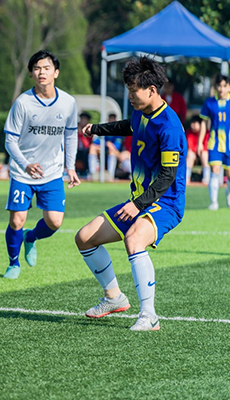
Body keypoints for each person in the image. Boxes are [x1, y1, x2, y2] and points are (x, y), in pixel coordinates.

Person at [76, 56, 186, 331]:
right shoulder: (141, 112)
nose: (130, 96)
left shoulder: (169, 126)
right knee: (85, 238)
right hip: (139, 201)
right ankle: (114, 297)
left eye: (133, 90)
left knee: (134, 239)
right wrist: (97, 130)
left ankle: (149, 316)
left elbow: (168, 176)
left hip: (165, 203)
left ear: (151, 90)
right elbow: (128, 126)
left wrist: (138, 204)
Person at [2, 50, 80, 280]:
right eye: (37, 68)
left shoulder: (68, 102)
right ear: (31, 74)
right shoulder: (22, 103)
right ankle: (13, 263)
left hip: (52, 172)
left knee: (54, 222)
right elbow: (10, 140)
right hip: (22, 173)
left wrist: (70, 167)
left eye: (46, 68)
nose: (41, 72)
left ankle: (31, 237)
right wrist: (25, 164)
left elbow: (71, 136)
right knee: (17, 219)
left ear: (56, 72)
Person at [198, 74, 230, 210]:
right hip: (214, 144)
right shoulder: (209, 103)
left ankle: (229, 192)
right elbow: (204, 123)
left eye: (224, 86)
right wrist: (200, 142)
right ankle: (213, 202)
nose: (221, 89)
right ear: (216, 87)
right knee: (215, 170)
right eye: (219, 86)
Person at [88, 113, 123, 181]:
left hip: (115, 153)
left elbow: (117, 147)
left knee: (111, 150)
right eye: (110, 119)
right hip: (103, 151)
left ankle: (111, 176)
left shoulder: (119, 132)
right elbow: (96, 142)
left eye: (113, 119)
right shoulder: (105, 130)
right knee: (92, 147)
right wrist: (104, 144)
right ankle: (92, 173)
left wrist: (110, 145)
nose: (112, 121)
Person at [185, 115, 210, 184]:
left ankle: (206, 177)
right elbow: (190, 146)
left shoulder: (207, 133)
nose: (192, 125)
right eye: (192, 123)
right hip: (194, 155)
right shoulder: (189, 133)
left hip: (203, 154)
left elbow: (206, 146)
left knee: (204, 154)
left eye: (194, 123)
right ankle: (187, 177)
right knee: (190, 154)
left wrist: (200, 150)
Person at [76, 112, 92, 176]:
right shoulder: (75, 128)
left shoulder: (89, 130)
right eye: (82, 119)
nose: (83, 121)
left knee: (85, 152)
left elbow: (86, 144)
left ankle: (86, 171)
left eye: (85, 119)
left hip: (85, 151)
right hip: (76, 149)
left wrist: (81, 133)